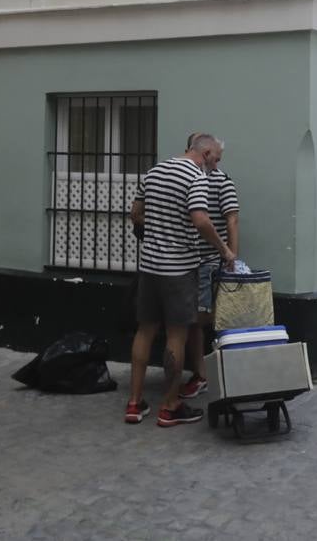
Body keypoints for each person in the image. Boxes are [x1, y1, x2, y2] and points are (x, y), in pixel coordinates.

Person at [126, 135, 235, 427]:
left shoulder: (155, 171)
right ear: (207, 152)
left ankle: (134, 403)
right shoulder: (196, 177)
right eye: (217, 159)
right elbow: (200, 220)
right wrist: (223, 249)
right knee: (176, 335)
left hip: (149, 267)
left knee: (145, 331)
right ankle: (170, 406)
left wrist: (158, 233)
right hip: (179, 270)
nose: (216, 165)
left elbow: (136, 213)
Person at [179, 132, 241, 400]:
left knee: (198, 320)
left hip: (207, 261)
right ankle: (202, 372)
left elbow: (232, 220)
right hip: (186, 261)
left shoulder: (221, 180)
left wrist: (231, 258)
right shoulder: (188, 176)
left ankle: (203, 374)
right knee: (195, 319)